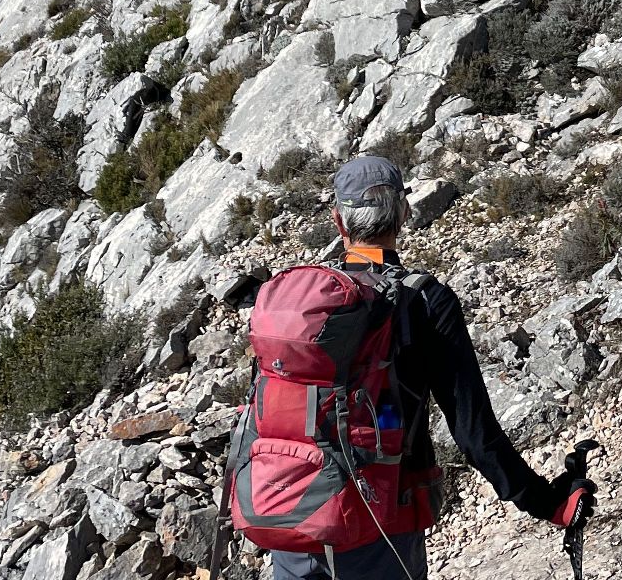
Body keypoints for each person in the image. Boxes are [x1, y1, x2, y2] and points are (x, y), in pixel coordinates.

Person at [254, 155, 594, 579]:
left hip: (289, 518)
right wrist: (547, 502)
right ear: (404, 213)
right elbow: (474, 433)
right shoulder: (424, 300)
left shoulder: (300, 305)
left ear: (338, 221)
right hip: (378, 527)